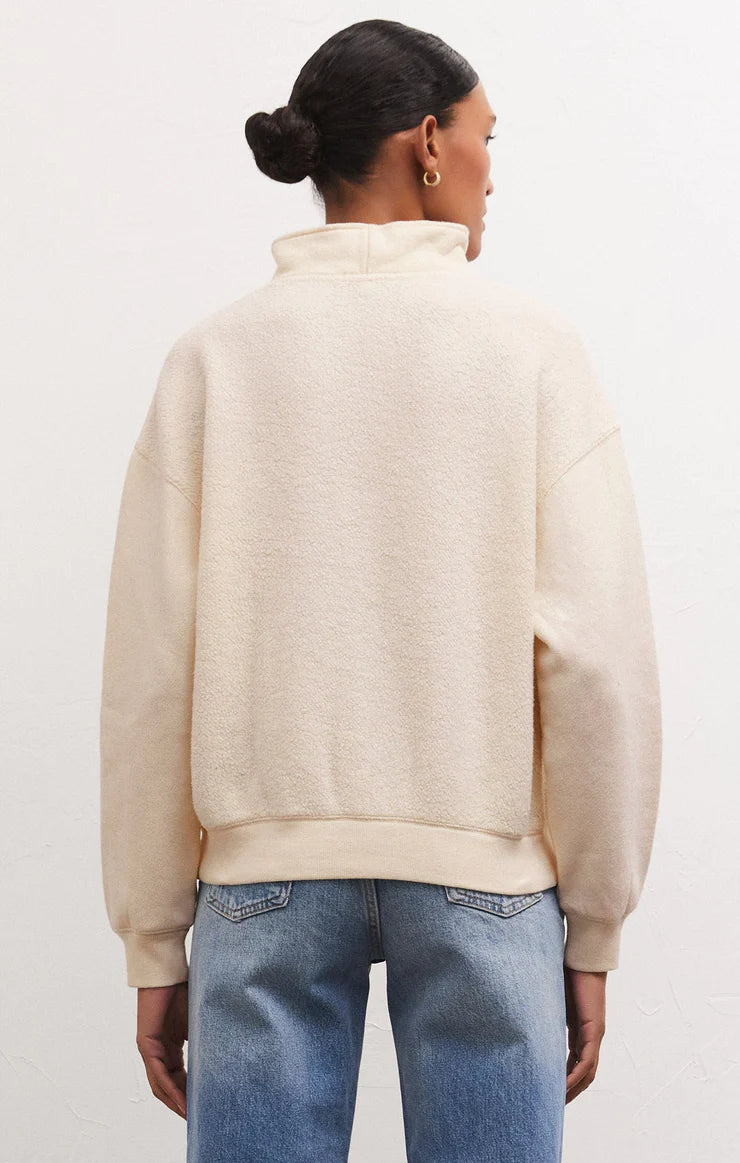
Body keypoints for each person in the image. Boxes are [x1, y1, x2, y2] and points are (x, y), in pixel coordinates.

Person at [99, 18, 662, 1163]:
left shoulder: (213, 358)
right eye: (485, 137)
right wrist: (593, 921)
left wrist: (154, 940)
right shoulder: (529, 350)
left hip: (260, 875)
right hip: (481, 873)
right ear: (427, 143)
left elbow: (151, 672)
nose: (492, 170)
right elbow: (593, 658)